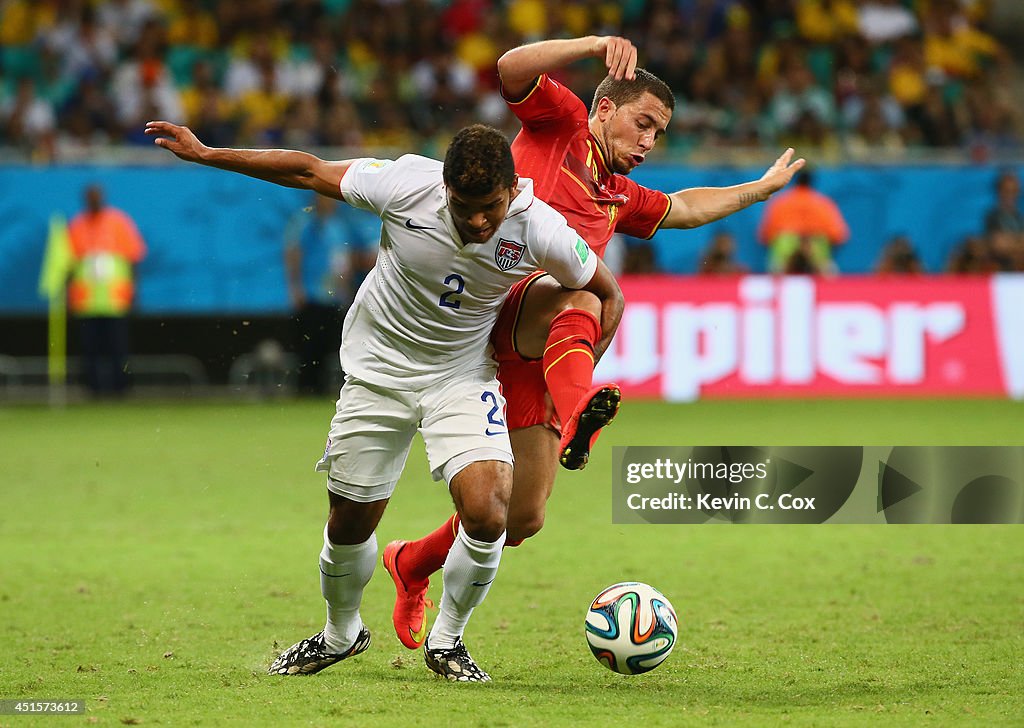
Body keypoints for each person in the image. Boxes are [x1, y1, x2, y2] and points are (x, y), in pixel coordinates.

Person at [145, 119, 624, 683]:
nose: (477, 220)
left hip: (462, 376)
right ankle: (340, 633)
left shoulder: (539, 226)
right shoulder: (405, 184)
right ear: (443, 187)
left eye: (490, 207)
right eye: (464, 205)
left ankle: (448, 642)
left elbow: (605, 294)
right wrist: (208, 154)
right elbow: (308, 169)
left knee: (491, 509)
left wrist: (574, 370)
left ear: (511, 190)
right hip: (377, 374)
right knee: (349, 521)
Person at [384, 35, 805, 652]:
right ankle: (582, 410)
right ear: (605, 109)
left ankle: (410, 563)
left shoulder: (617, 194)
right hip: (498, 303)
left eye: (658, 136)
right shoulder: (563, 123)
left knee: (521, 517)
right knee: (584, 293)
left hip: (545, 347)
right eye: (643, 124)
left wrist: (757, 190)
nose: (648, 143)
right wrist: (593, 45)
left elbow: (683, 207)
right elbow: (508, 69)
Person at [284, 193, 368, 396]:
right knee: (309, 344)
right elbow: (294, 252)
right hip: (312, 293)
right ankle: (304, 389)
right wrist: (296, 288)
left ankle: (323, 390)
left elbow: (345, 258)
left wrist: (347, 290)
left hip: (334, 296)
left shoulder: (339, 225)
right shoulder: (304, 221)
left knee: (331, 343)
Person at [67, 183, 147, 396]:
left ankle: (121, 390)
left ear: (102, 197)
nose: (93, 200)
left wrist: (133, 293)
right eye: (89, 197)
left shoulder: (118, 222)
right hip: (87, 302)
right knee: (89, 350)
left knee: (118, 349)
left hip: (115, 300)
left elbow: (133, 260)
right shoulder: (77, 225)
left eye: (96, 196)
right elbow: (69, 266)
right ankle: (92, 391)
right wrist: (70, 296)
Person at [758, 168, 847, 274]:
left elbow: (765, 234)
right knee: (824, 259)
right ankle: (828, 277)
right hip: (813, 243)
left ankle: (776, 274)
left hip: (788, 243)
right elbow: (838, 234)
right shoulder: (822, 202)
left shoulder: (781, 201)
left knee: (782, 248)